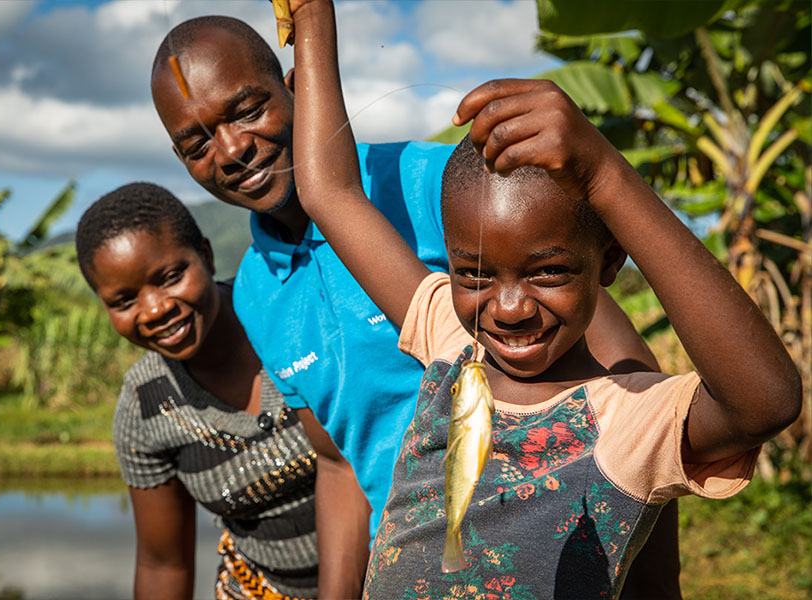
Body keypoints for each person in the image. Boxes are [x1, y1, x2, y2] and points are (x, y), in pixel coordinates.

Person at [150, 11, 678, 597]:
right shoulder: (253, 292)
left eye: (249, 110)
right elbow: (339, 464)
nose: (231, 149)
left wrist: (648, 577)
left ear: (298, 87)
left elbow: (626, 368)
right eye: (196, 143)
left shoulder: (437, 185)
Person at [287, 1, 802, 598]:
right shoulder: (448, 340)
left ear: (608, 262)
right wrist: (312, 18)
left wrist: (604, 175)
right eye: (474, 276)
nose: (508, 308)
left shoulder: (625, 420)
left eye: (548, 272)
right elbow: (330, 191)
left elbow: (765, 402)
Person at [75, 182, 328, 600]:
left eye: (171, 277)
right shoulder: (146, 409)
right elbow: (162, 564)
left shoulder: (292, 319)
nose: (155, 309)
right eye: (123, 301)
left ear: (206, 257)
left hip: (389, 572)